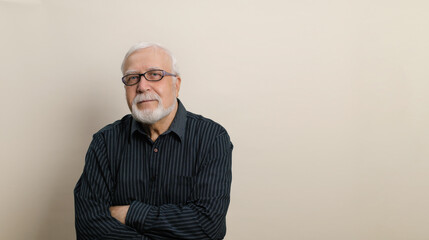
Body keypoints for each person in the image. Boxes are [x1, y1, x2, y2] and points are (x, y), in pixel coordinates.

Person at [74, 42, 233, 240]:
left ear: (177, 84)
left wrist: (131, 213)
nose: (142, 86)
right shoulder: (105, 142)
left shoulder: (211, 138)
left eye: (154, 74)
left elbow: (209, 227)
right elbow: (89, 228)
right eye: (132, 78)